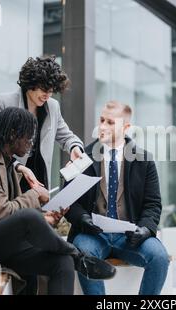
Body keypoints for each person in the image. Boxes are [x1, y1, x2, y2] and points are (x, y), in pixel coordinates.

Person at [0, 107, 115, 295]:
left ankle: (72, 258)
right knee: (30, 216)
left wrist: (47, 218)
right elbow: (1, 213)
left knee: (62, 262)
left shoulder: (7, 163)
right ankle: (78, 257)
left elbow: (12, 216)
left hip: (0, 243)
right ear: (12, 134)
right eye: (29, 137)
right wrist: (35, 194)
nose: (32, 143)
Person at [65, 101, 169, 295]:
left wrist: (145, 229)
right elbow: (69, 201)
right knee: (84, 253)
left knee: (160, 257)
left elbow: (153, 203)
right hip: (93, 235)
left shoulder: (144, 160)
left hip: (129, 238)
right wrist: (82, 219)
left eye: (110, 122)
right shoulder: (83, 156)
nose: (103, 126)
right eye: (102, 120)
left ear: (126, 127)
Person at [0, 56, 84, 192]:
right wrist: (18, 167)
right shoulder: (4, 102)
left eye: (51, 91)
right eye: (44, 90)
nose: (47, 96)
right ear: (31, 83)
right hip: (10, 177)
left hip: (40, 182)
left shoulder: (53, 107)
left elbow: (67, 137)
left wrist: (75, 148)